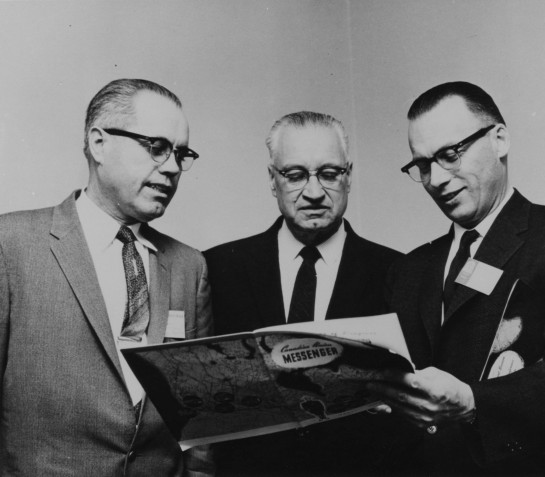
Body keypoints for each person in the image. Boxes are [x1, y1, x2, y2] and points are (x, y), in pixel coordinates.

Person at [370, 81, 545, 476]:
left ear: (500, 139)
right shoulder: (408, 270)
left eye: (450, 155)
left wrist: (474, 400)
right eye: (423, 165)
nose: (437, 179)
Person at [0, 79, 213, 476]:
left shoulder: (189, 265)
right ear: (99, 143)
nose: (171, 167)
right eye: (156, 147)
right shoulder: (10, 245)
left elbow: (198, 423)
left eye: (180, 153)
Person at [205, 111, 403, 476]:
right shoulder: (218, 268)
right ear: (272, 179)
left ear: (349, 175)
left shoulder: (399, 272)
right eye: (295, 175)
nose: (313, 193)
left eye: (329, 174)